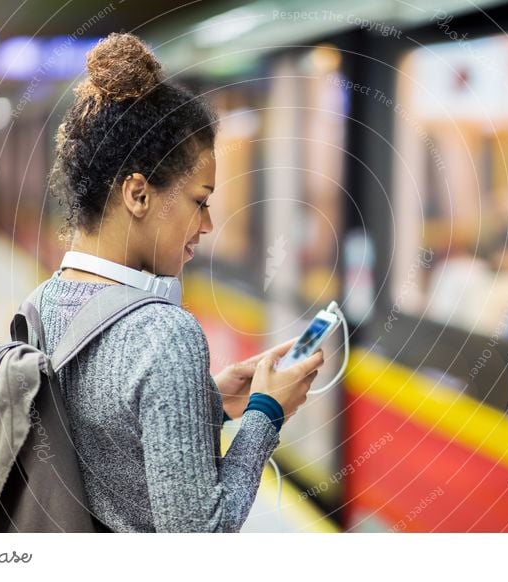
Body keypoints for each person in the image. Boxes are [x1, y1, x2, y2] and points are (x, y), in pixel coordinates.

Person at [38, 33, 324, 532]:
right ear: (139, 195)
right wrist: (265, 414)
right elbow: (201, 538)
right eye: (199, 200)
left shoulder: (43, 301)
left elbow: (103, 446)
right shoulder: (164, 335)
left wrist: (203, 401)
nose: (208, 224)